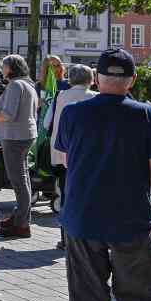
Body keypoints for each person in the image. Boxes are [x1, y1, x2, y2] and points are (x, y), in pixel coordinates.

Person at [54, 48, 151, 301]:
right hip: (132, 223)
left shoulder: (72, 113)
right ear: (132, 80)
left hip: (83, 221)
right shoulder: (148, 115)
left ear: (97, 79)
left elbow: (68, 161)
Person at [0, 54, 39, 239]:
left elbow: (8, 114)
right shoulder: (28, 85)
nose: (2, 69)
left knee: (18, 181)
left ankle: (21, 223)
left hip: (14, 137)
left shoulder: (15, 85)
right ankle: (21, 220)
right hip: (25, 135)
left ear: (11, 68)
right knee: (23, 179)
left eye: (4, 66)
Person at [50, 64, 95, 249]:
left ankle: (65, 238)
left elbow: (48, 122)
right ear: (91, 80)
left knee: (65, 195)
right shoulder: (95, 98)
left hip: (61, 153)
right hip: (88, 156)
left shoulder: (60, 96)